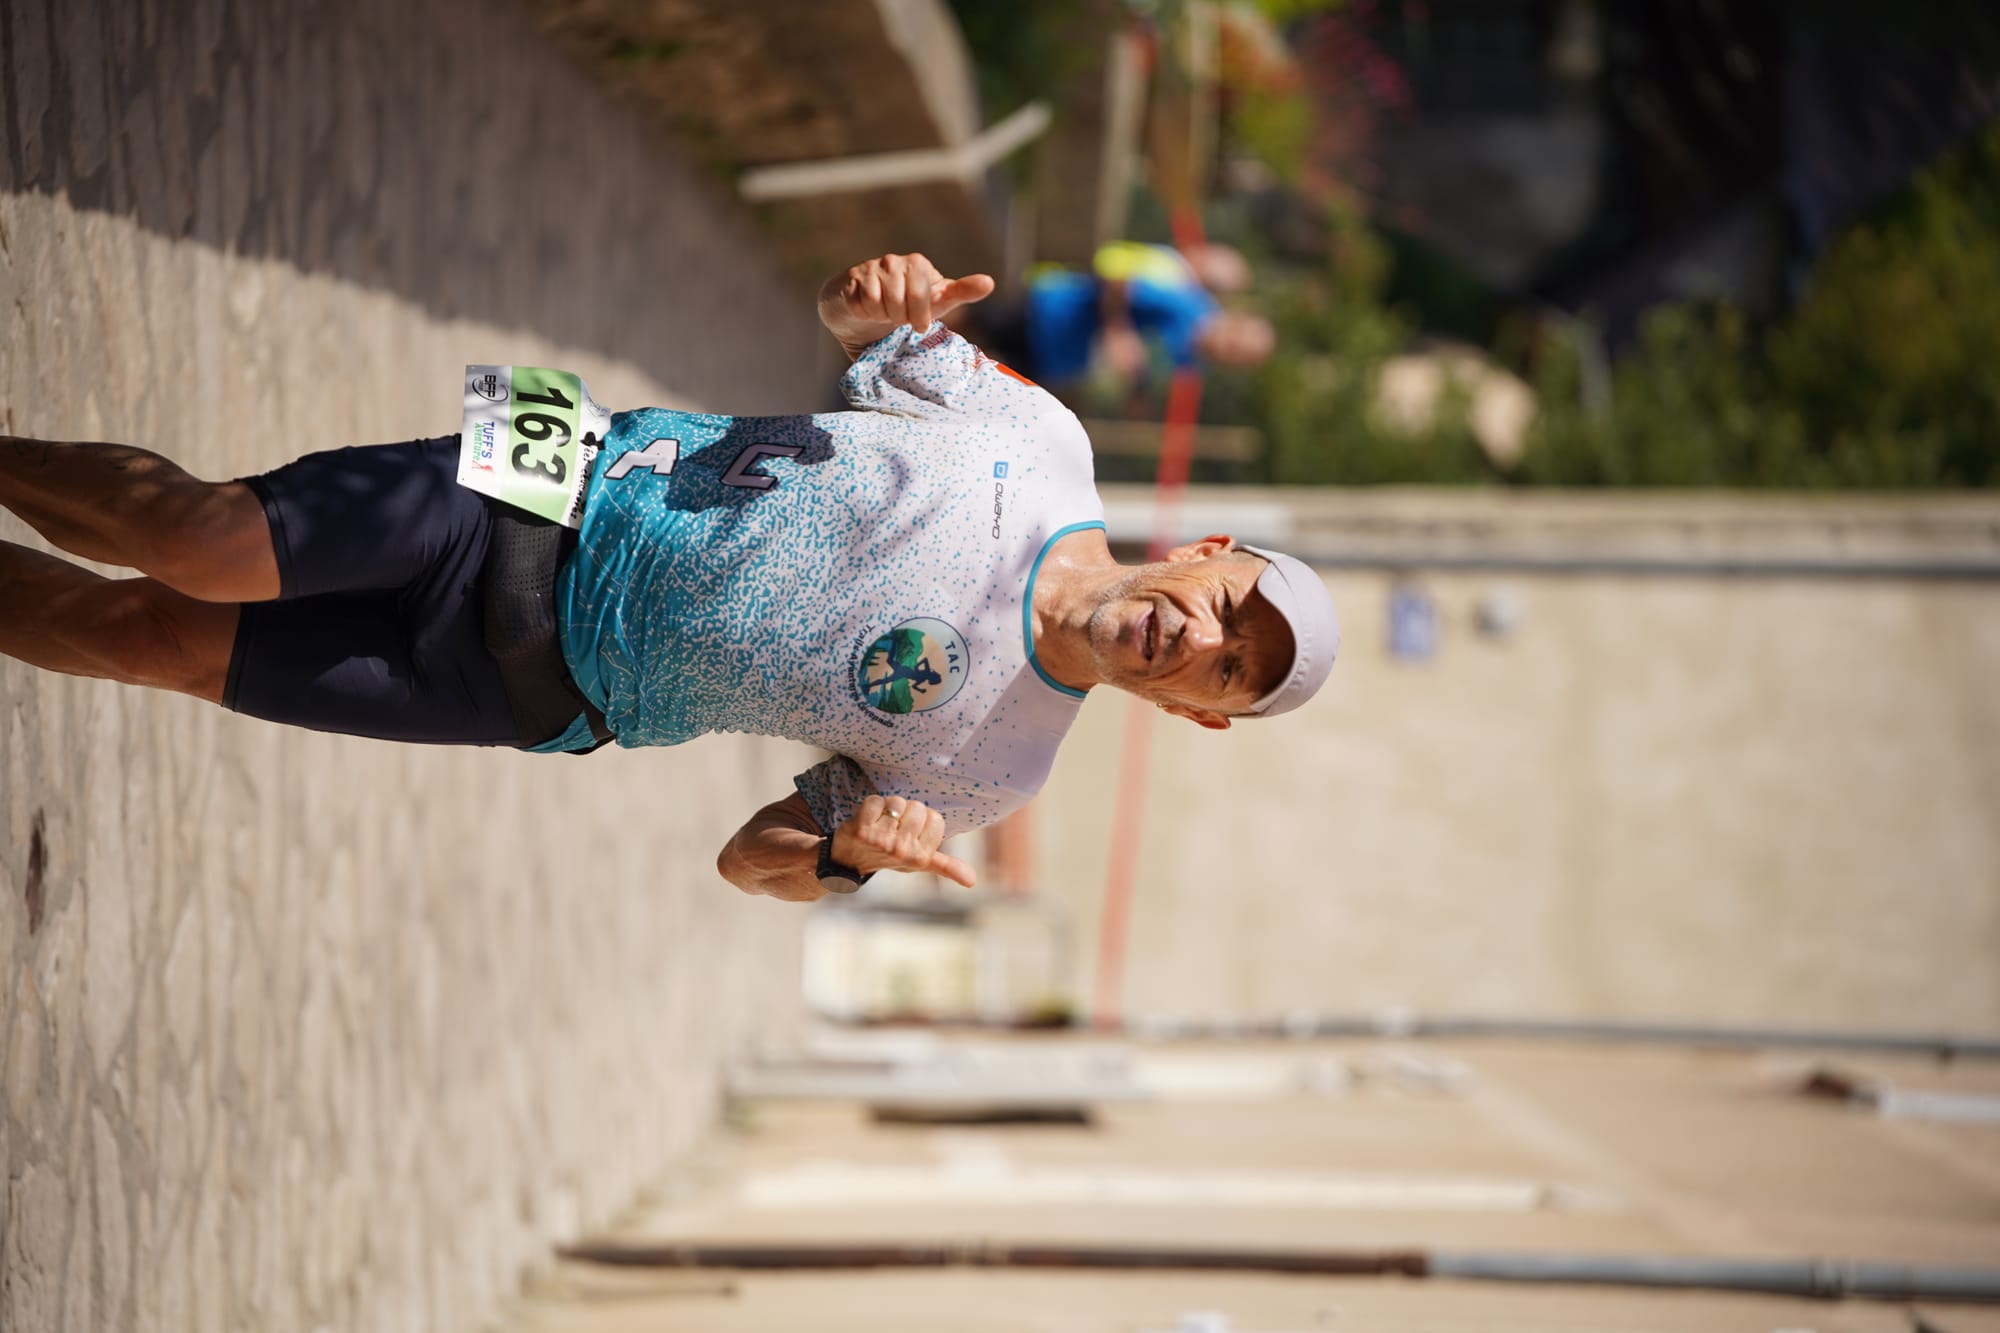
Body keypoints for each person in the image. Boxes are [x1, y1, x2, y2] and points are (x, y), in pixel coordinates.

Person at [0, 253, 1338, 902]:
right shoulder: (1043, 445)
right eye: (1233, 614)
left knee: (154, 641)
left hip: (532, 686)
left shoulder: (993, 772)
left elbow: (743, 860)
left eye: (1229, 674)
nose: (1200, 641)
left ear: (1197, 717)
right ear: (1210, 557)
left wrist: (838, 851)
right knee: (200, 540)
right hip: (559, 480)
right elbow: (863, 329)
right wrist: (875, 294)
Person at [968, 241, 1276, 389]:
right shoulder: (1186, 302)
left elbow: (1134, 372)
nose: (1229, 351)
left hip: (1053, 361)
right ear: (1235, 321)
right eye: (1237, 342)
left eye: (1238, 356)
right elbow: (1119, 283)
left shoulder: (1189, 366)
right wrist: (1119, 329)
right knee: (960, 328)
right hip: (1050, 314)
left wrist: (1133, 391)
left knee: (969, 374)